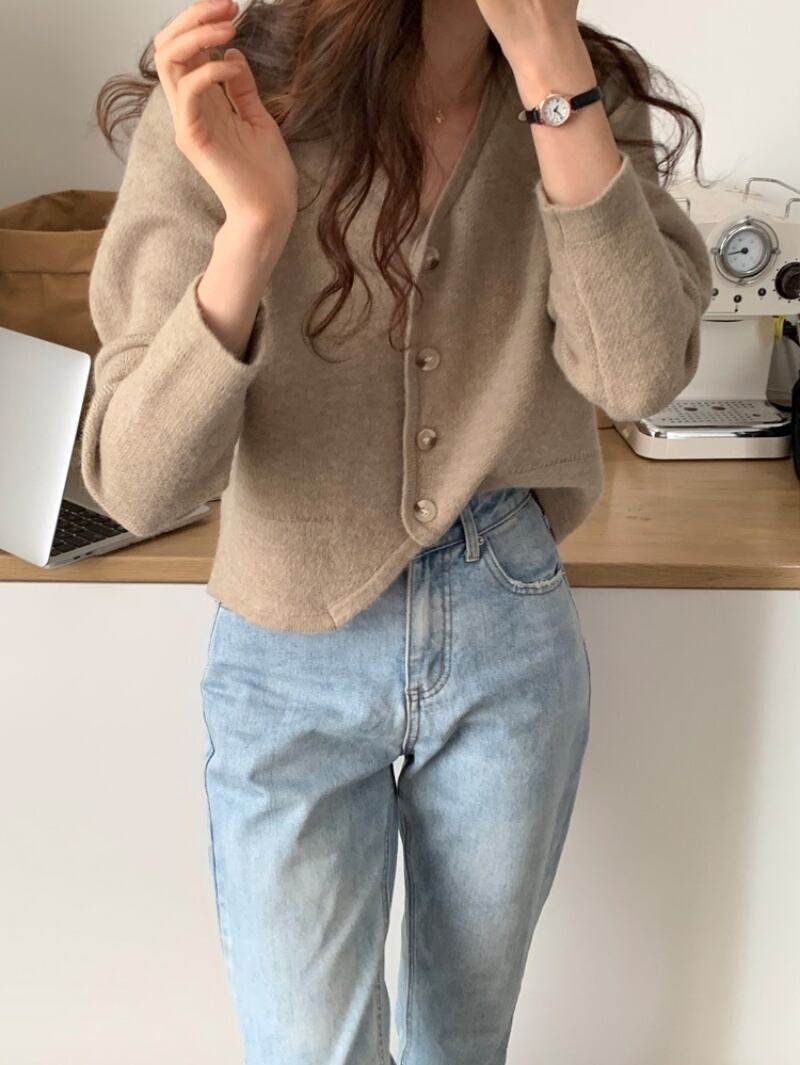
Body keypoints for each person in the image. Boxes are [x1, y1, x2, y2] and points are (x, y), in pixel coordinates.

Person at [81, 0, 712, 1061]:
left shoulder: (576, 89)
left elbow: (638, 373)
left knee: (461, 1045)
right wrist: (253, 228)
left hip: (507, 616)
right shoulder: (227, 92)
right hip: (287, 636)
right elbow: (138, 482)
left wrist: (547, 63)